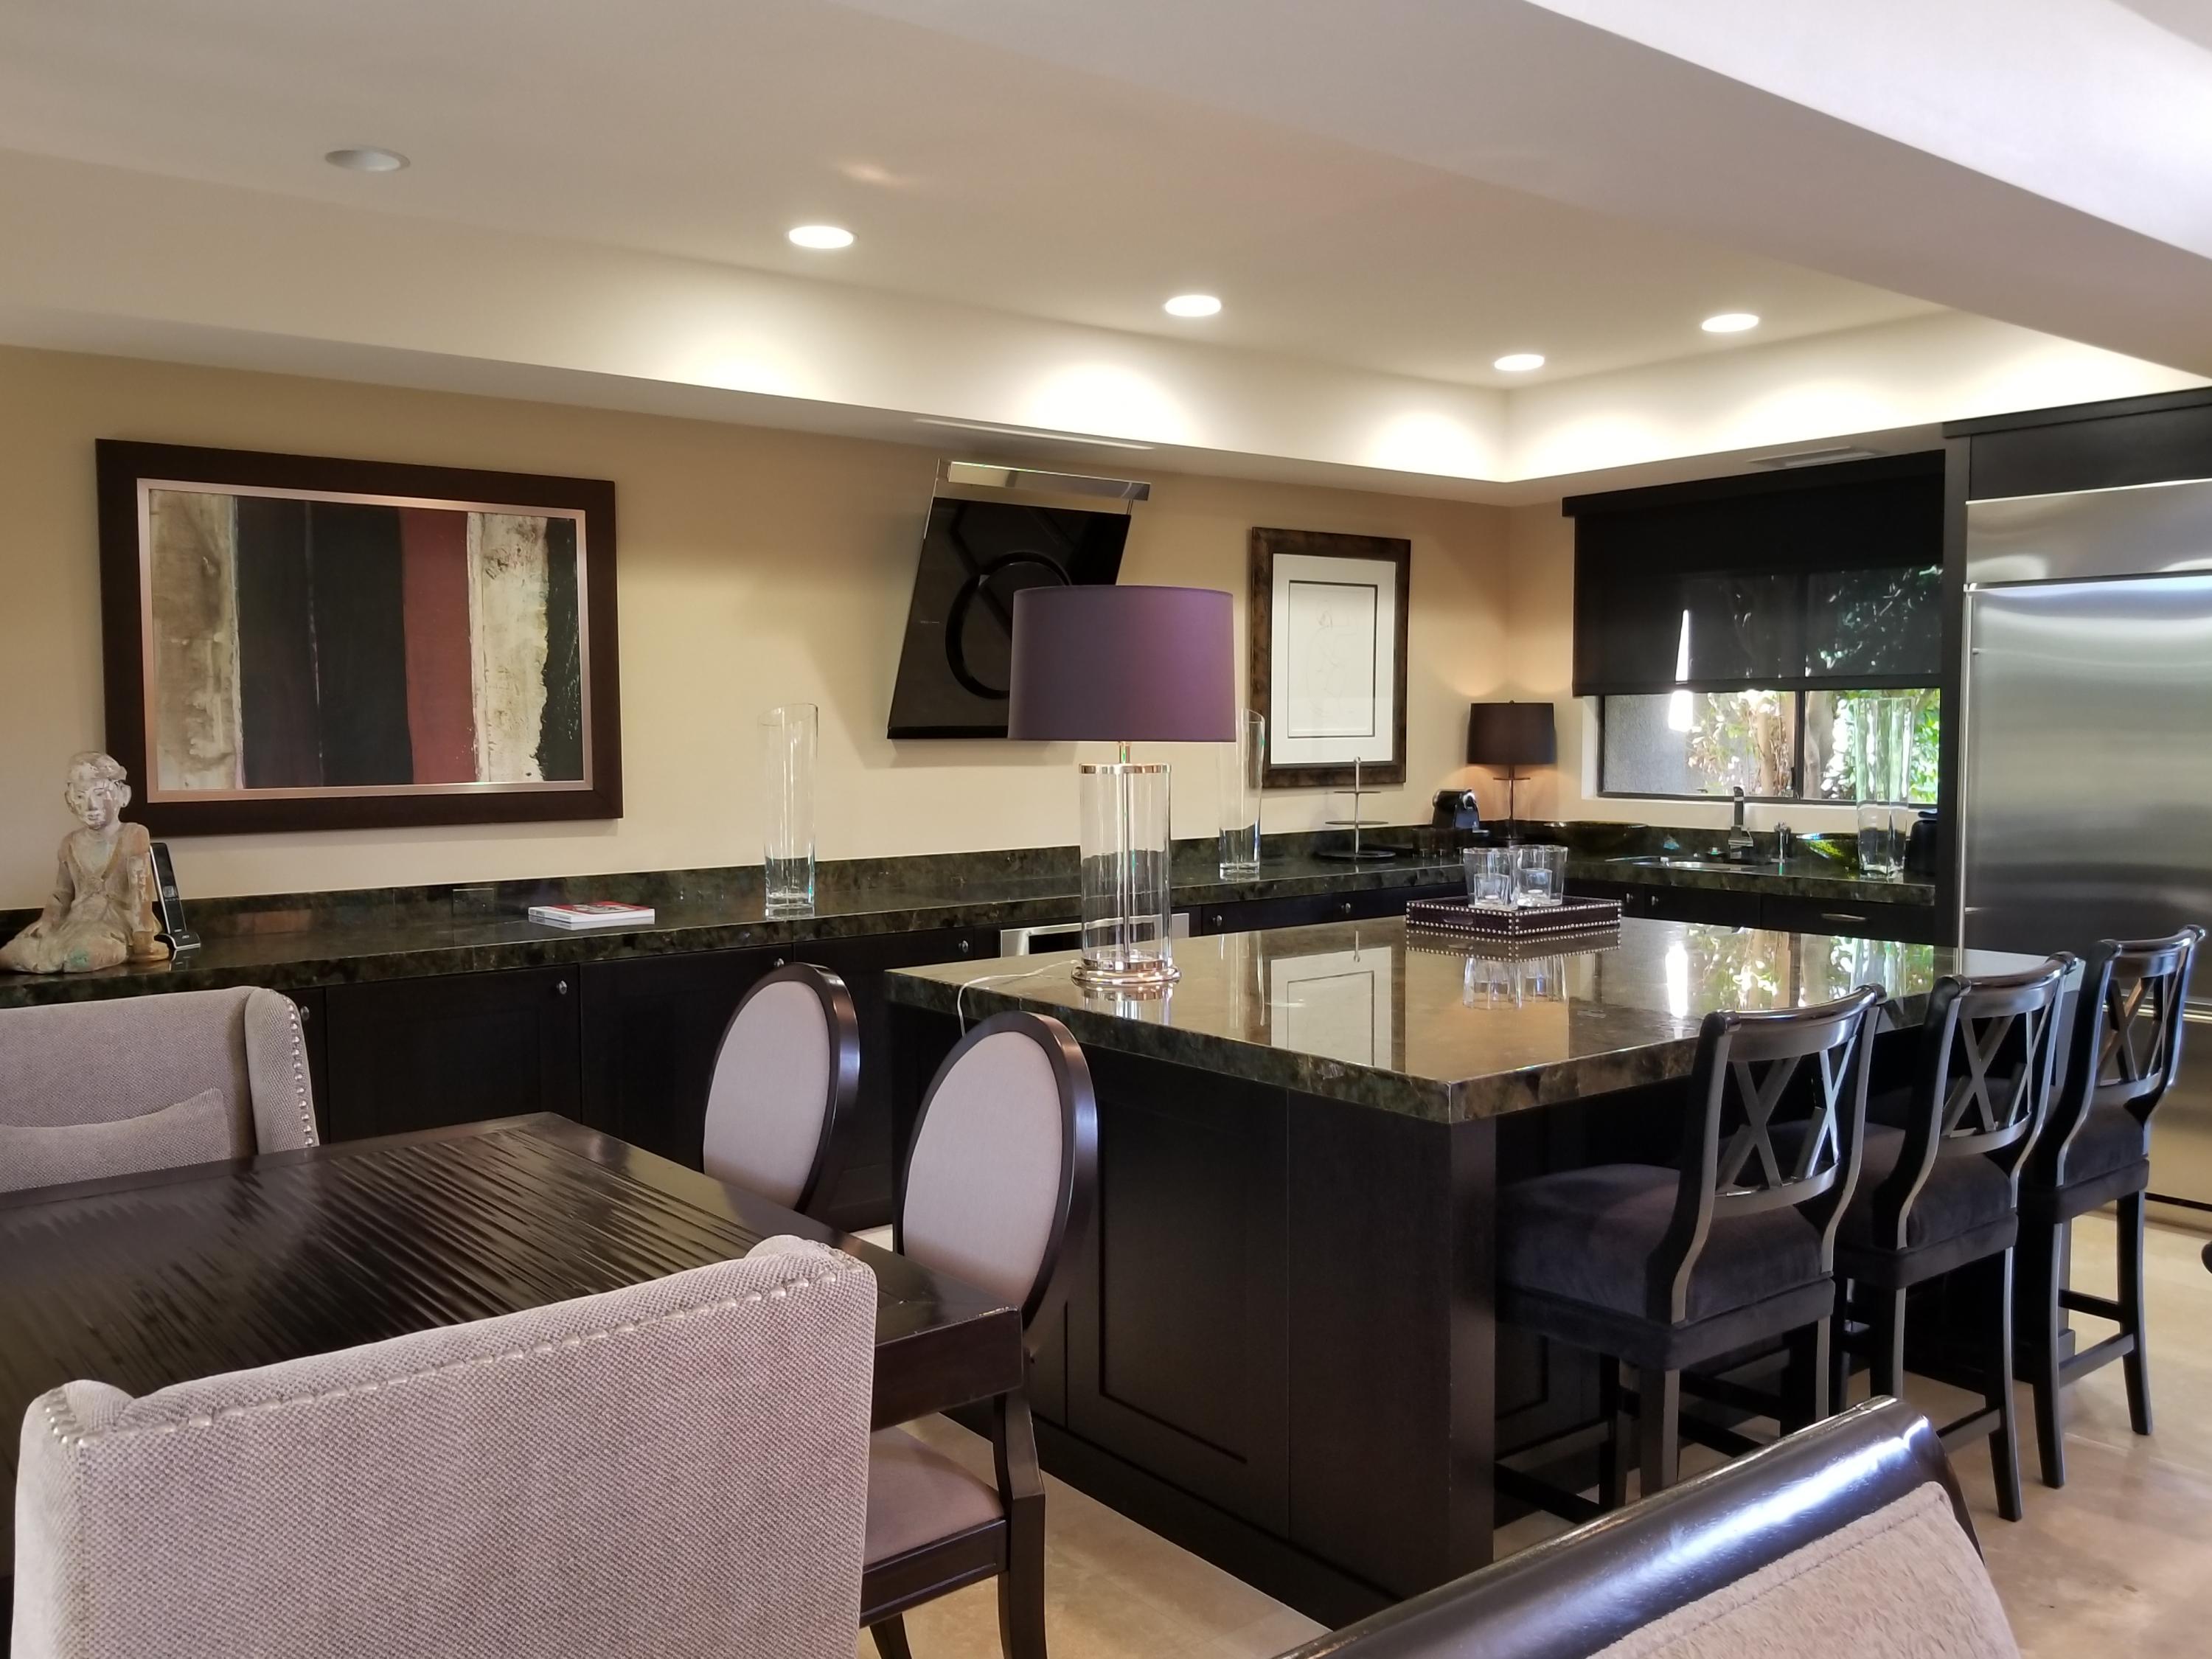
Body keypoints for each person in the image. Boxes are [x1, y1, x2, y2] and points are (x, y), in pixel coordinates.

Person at [0, 751, 168, 974]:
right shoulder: (70, 843)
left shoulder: (133, 834)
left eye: (100, 794)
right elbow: (62, 893)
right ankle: (54, 955)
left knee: (82, 956)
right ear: (70, 802)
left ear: (123, 795)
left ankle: (109, 951)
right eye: (80, 796)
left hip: (115, 925)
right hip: (75, 924)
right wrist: (48, 921)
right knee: (9, 954)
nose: (91, 805)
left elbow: (141, 892)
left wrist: (144, 939)